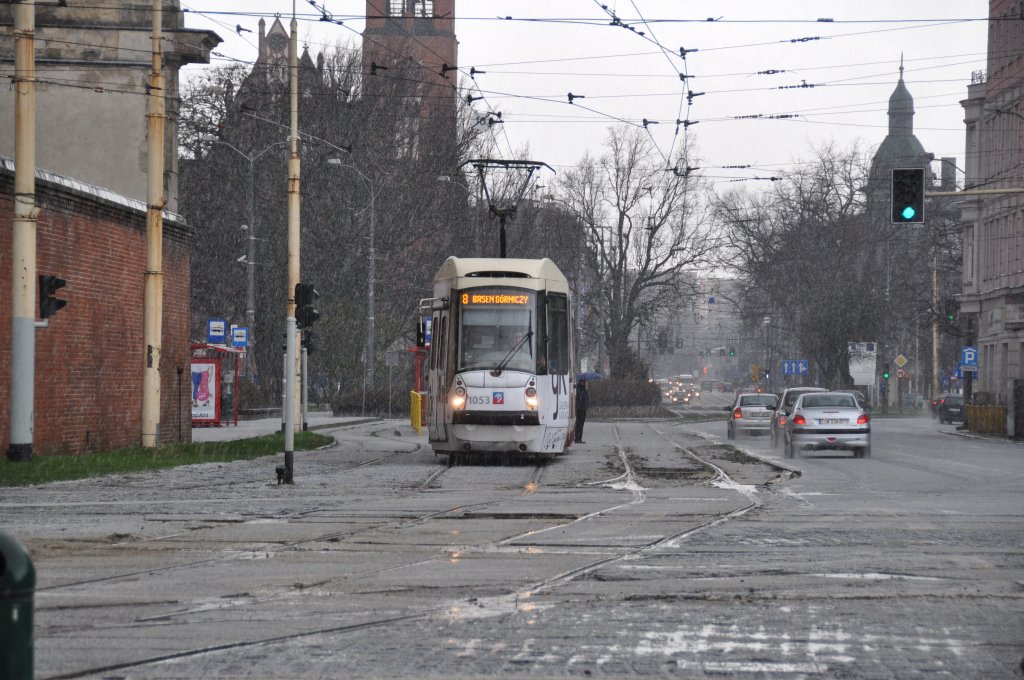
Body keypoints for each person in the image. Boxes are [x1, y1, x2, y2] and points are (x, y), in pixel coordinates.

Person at [574, 378, 589, 443]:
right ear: (581, 382)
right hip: (579, 408)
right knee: (578, 424)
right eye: (584, 382)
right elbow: (578, 396)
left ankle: (579, 438)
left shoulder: (584, 389)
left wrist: (586, 404)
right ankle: (577, 438)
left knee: (581, 424)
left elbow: (587, 398)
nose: (585, 383)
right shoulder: (578, 388)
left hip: (583, 408)